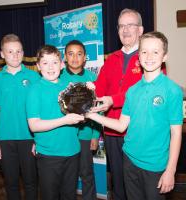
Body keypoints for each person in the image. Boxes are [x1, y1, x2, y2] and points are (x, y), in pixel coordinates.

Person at [86, 31, 183, 200]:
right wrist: (91, 115)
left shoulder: (172, 90)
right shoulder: (132, 91)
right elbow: (121, 125)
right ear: (138, 56)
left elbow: (176, 133)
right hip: (129, 160)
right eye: (144, 51)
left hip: (156, 166)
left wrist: (171, 170)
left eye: (155, 52)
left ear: (165, 56)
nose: (149, 56)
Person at [93, 8, 144, 200]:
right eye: (121, 26)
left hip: (137, 131)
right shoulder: (111, 59)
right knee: (118, 182)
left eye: (130, 25)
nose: (125, 30)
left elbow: (140, 92)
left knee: (137, 183)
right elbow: (99, 88)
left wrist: (113, 100)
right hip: (113, 131)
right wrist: (83, 92)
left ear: (140, 30)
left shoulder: (149, 57)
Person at [26, 45, 84, 200]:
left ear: (62, 64)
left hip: (73, 152)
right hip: (49, 155)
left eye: (54, 62)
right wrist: (64, 120)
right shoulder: (34, 90)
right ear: (38, 66)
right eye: (45, 63)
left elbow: (83, 111)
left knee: (69, 195)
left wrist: (89, 93)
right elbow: (34, 125)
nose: (50, 67)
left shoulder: (69, 88)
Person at [0, 34, 40, 200]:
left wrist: (38, 140)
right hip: (4, 140)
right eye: (10, 52)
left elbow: (41, 110)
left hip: (29, 139)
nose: (15, 55)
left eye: (18, 51)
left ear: (23, 52)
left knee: (31, 183)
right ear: (2, 54)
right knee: (11, 183)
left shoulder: (34, 77)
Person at [60, 40, 101, 200]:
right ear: (65, 57)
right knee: (66, 176)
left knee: (87, 174)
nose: (75, 58)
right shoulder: (58, 77)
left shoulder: (93, 78)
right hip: (64, 135)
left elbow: (99, 109)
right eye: (70, 54)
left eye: (79, 54)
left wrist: (95, 136)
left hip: (85, 135)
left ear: (85, 58)